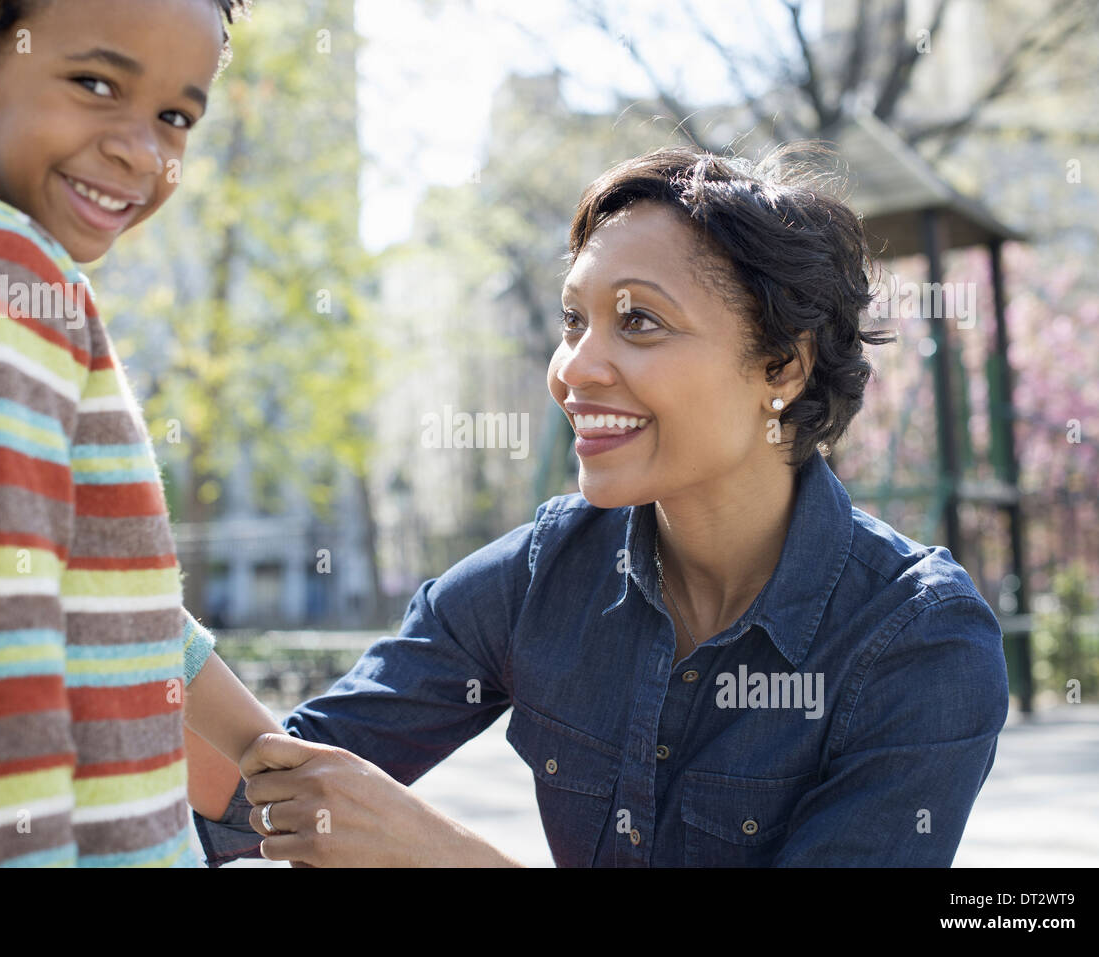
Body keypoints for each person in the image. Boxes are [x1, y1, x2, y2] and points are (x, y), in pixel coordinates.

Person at [190, 145, 1011, 867]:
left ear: (783, 368)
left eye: (640, 322)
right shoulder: (544, 573)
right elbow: (260, 786)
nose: (574, 369)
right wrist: (123, 599)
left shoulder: (920, 642)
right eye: (573, 320)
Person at [0, 0, 284, 867]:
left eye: (174, 117)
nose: (140, 149)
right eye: (95, 83)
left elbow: (106, 599)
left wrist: (271, 755)